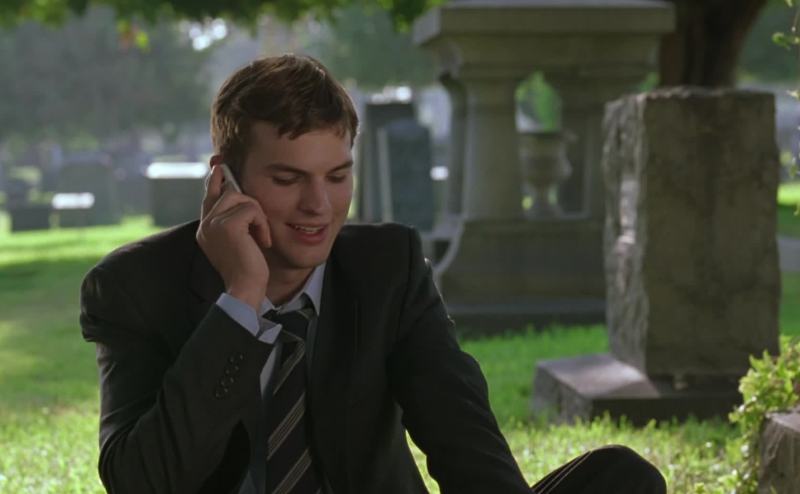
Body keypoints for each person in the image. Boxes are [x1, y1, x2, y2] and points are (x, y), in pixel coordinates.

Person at [80, 54, 666, 494]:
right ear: (223, 180)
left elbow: (464, 442)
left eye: (337, 177)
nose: (319, 206)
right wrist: (240, 301)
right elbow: (141, 481)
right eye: (288, 179)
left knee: (620, 477)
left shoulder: (387, 269)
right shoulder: (134, 286)